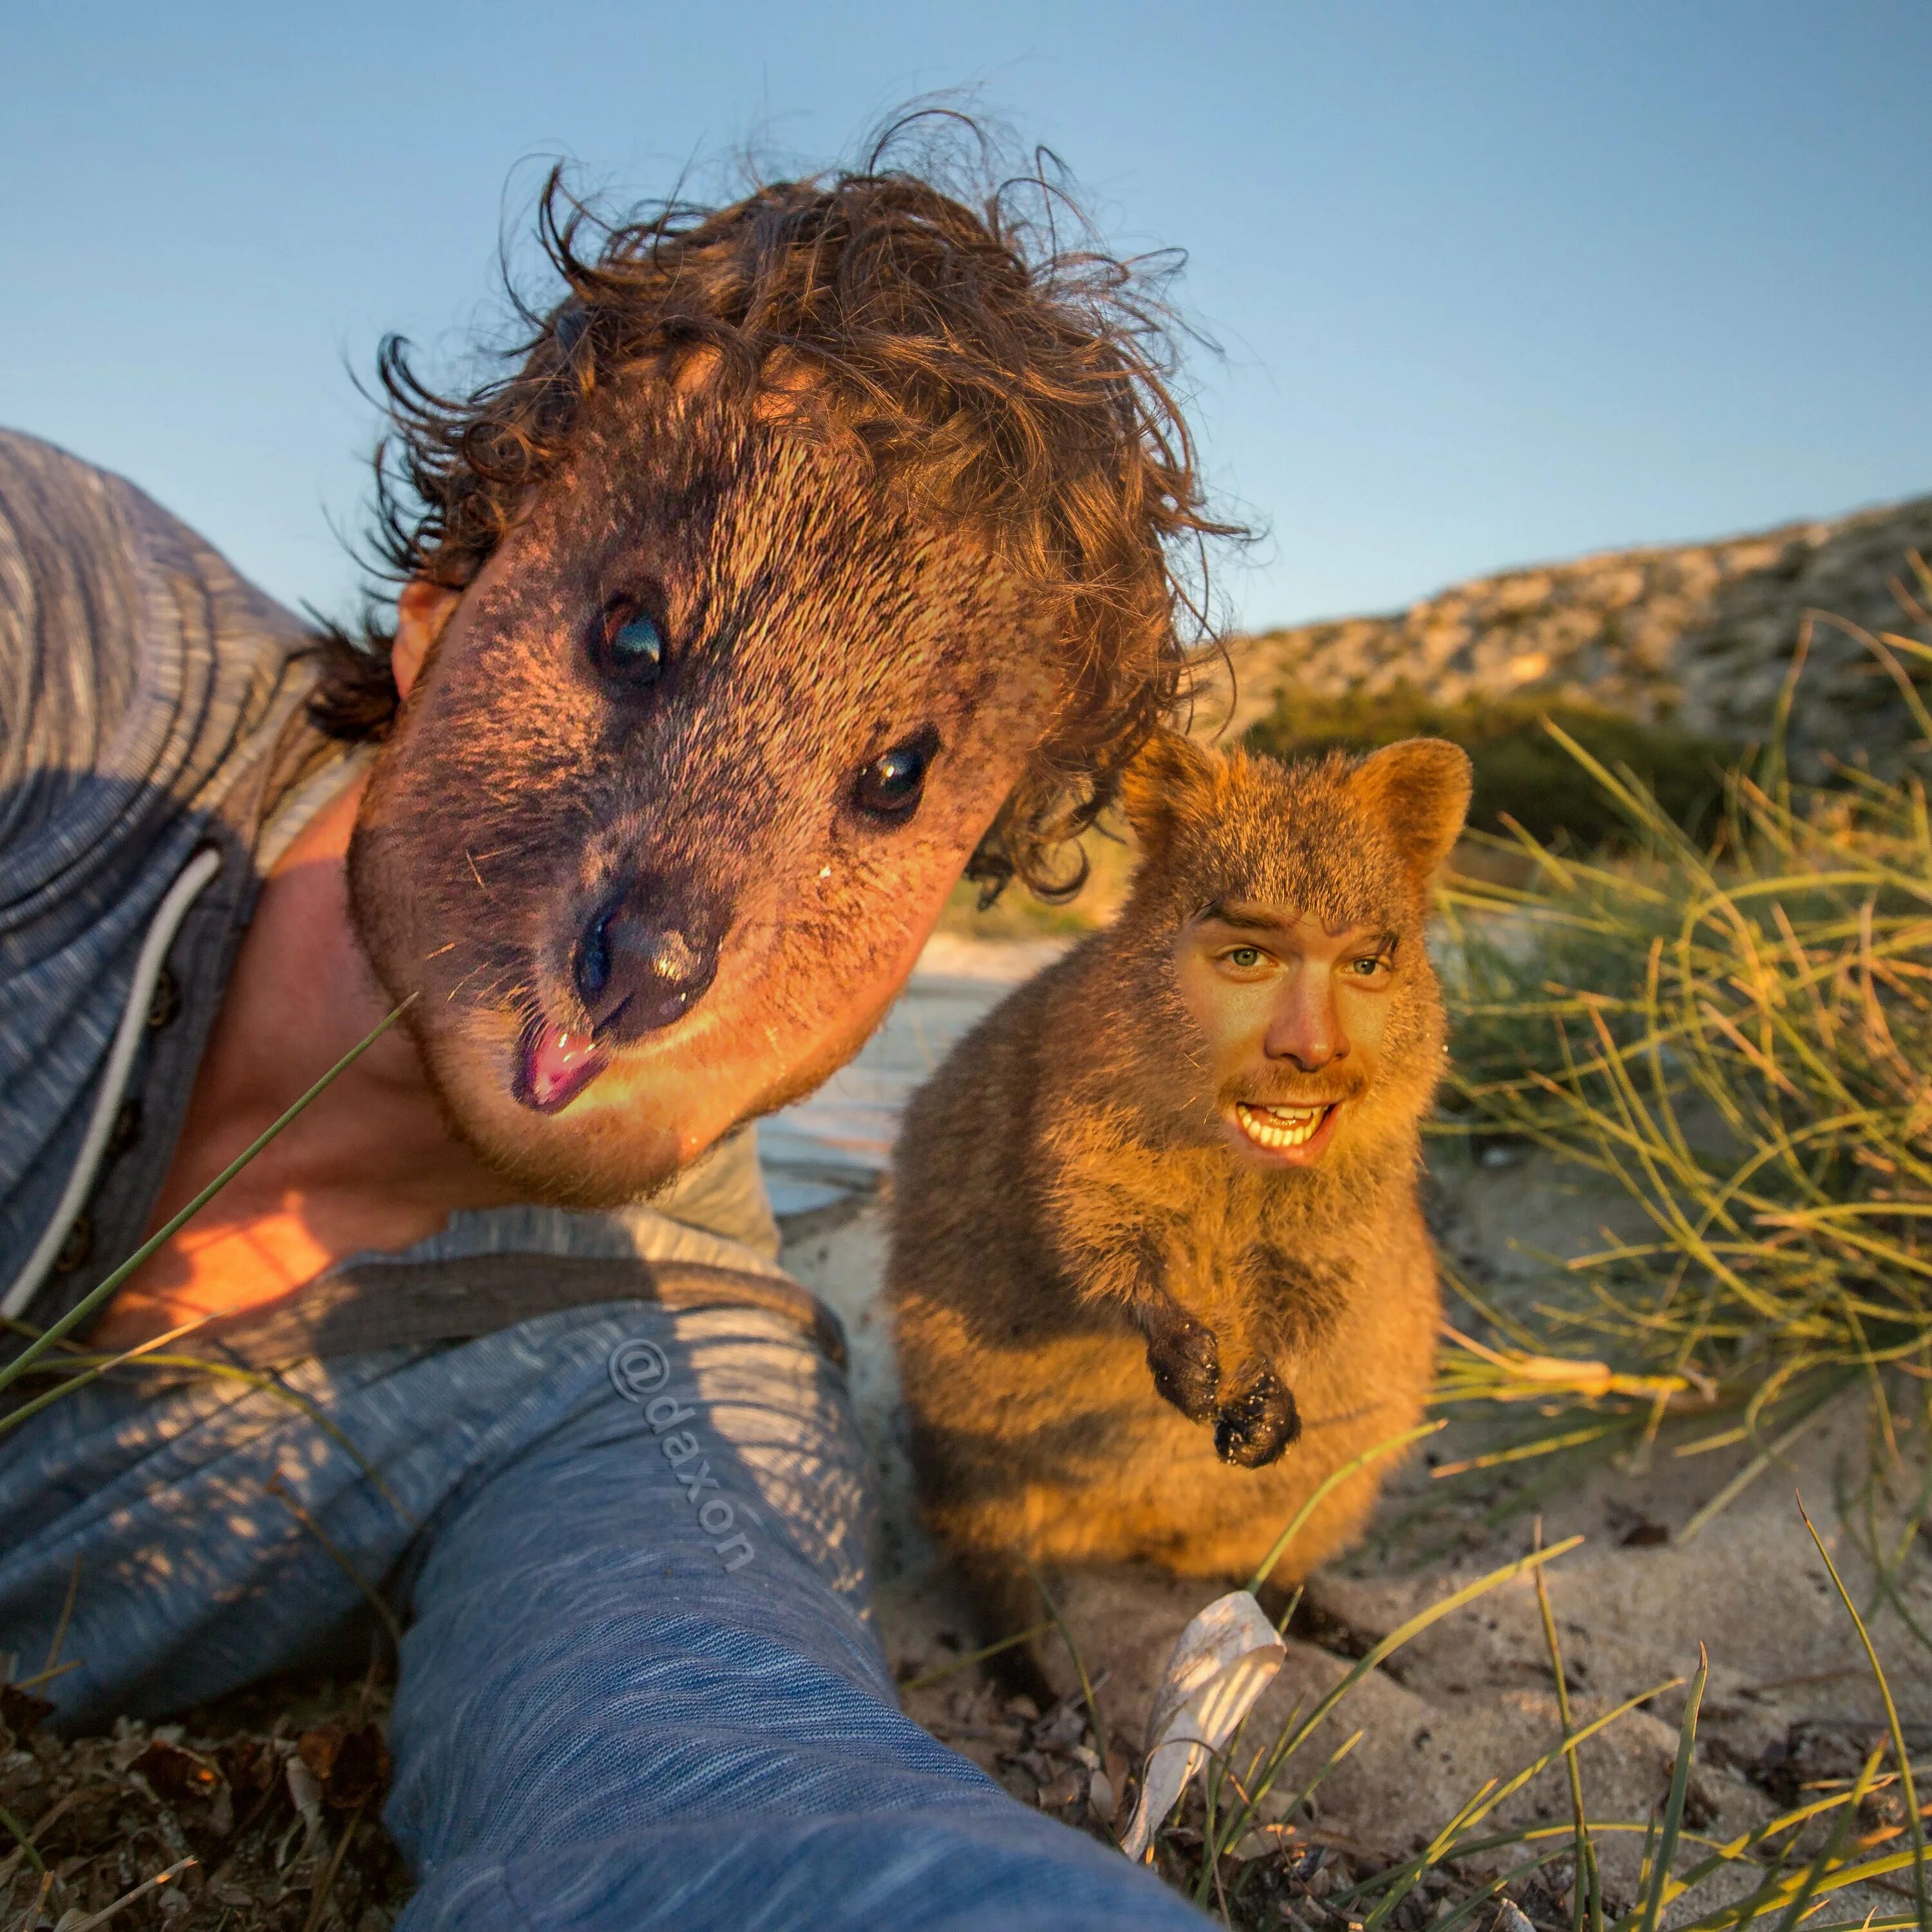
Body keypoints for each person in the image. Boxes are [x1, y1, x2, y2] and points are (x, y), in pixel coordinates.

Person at [0, 134, 1228, 1927]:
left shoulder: (670, 1375)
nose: (672, 930)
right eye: (636, 638)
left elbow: (720, 1764)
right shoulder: (67, 666)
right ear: (440, 619)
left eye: (888, 785)